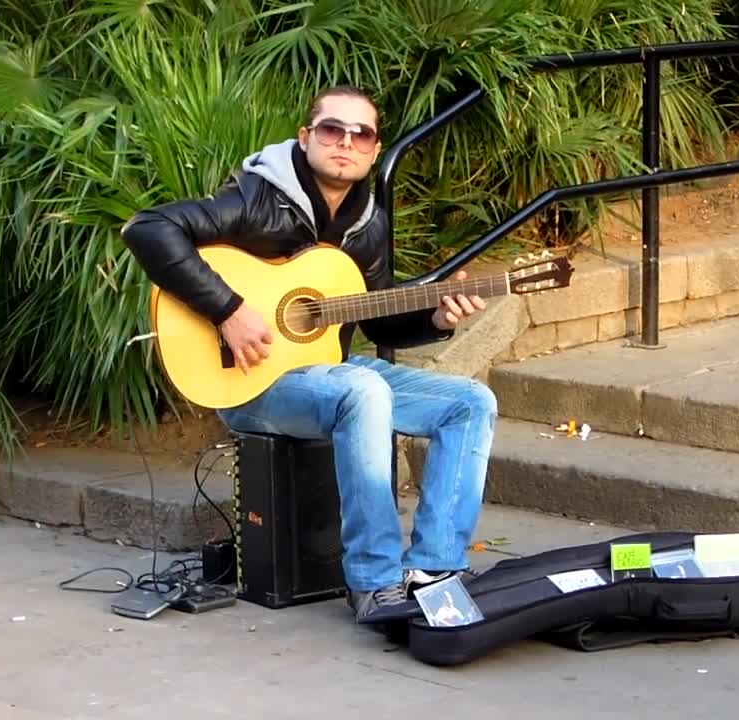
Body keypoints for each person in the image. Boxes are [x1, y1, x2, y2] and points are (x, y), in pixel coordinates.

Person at [121, 85, 498, 623]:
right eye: (331, 130)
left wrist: (436, 318)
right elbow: (148, 228)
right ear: (306, 138)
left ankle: (435, 568)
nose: (345, 142)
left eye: (360, 134)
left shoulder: (368, 223)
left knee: (471, 401)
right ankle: (375, 581)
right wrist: (228, 310)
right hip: (253, 384)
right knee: (361, 389)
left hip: (329, 377)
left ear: (373, 149)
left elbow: (376, 314)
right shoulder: (257, 197)